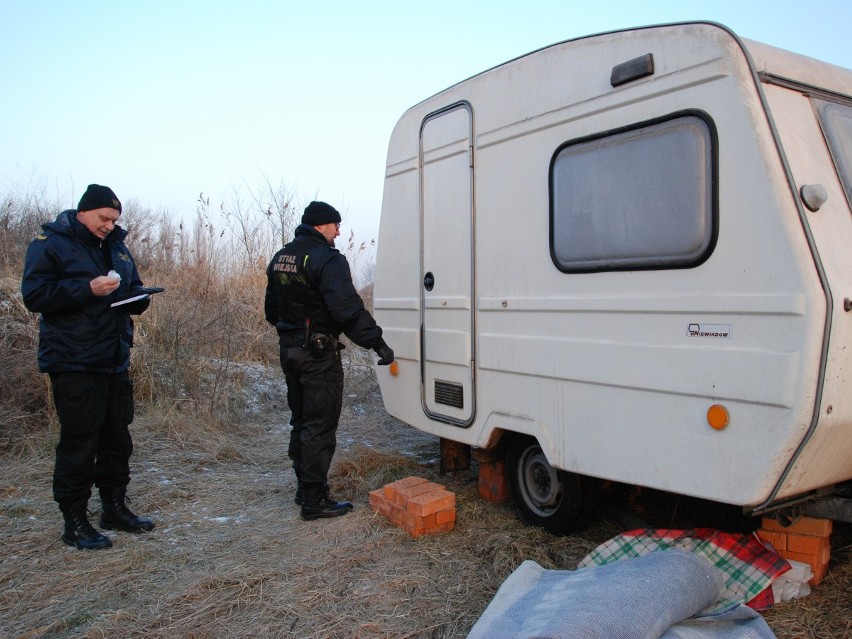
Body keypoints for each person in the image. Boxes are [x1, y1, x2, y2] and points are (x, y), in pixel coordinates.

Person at [21, 184, 155, 550]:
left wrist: (137, 299)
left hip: (114, 360)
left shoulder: (117, 247)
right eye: (104, 218)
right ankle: (75, 521)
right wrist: (86, 289)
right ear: (84, 211)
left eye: (114, 220)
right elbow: (34, 295)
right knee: (80, 443)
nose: (110, 225)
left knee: (117, 440)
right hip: (74, 361)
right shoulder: (51, 243)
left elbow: (133, 287)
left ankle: (114, 508)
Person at [265, 201, 395, 521]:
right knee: (319, 424)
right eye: (336, 225)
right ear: (322, 225)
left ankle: (303, 487)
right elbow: (347, 308)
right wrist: (376, 342)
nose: (339, 231)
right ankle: (313, 498)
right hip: (318, 354)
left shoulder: (281, 257)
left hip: (290, 350)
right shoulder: (326, 258)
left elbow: (272, 311)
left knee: (302, 420)